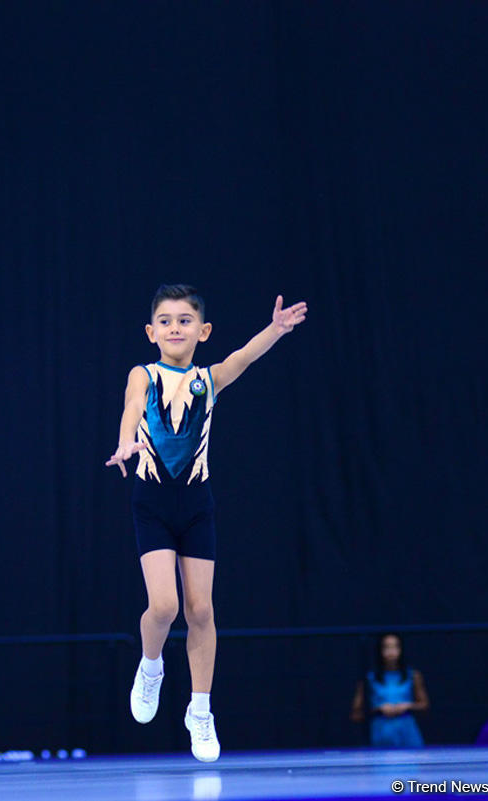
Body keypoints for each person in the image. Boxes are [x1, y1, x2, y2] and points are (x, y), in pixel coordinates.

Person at [106, 284, 308, 762]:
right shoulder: (144, 373)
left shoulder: (208, 378)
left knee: (200, 611)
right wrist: (125, 442)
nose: (176, 327)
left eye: (185, 320)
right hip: (153, 501)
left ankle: (200, 710)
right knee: (163, 608)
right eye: (166, 320)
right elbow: (133, 406)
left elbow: (244, 357)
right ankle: (150, 666)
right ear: (151, 331)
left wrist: (275, 331)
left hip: (197, 503)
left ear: (203, 330)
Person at [350, 633, 429, 747]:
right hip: (382, 732)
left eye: (395, 647)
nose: (391, 652)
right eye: (387, 647)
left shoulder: (413, 675)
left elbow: (424, 705)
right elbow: (356, 713)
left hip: (407, 732)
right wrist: (378, 709)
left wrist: (407, 706)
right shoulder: (370, 678)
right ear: (380, 650)